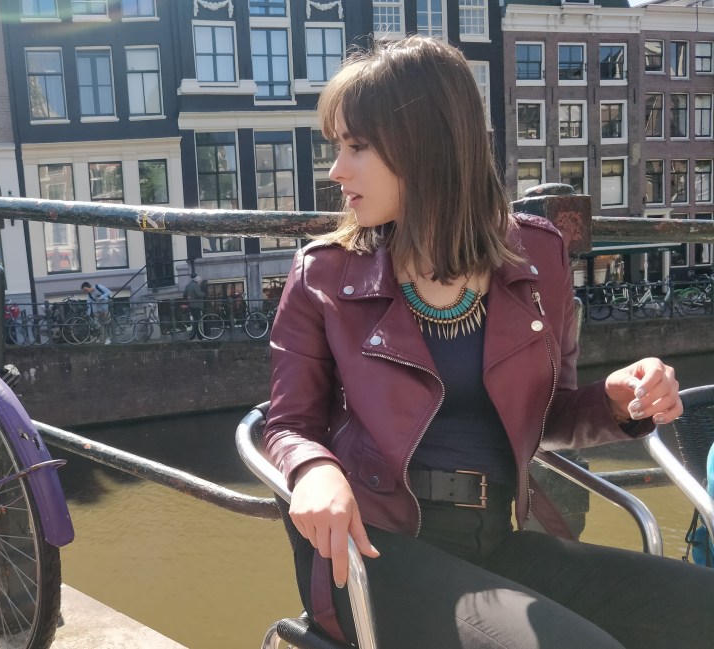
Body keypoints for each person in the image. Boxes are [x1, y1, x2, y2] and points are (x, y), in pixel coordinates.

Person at [264, 35, 713, 649]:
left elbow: (548, 416)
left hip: (495, 539)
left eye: (357, 146)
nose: (336, 170)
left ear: (426, 145)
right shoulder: (322, 273)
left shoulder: (539, 255)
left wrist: (614, 400)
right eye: (337, 146)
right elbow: (287, 424)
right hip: (372, 552)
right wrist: (314, 469)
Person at [183, 273, 205, 340]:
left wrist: (189, 298)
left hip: (191, 305)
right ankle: (192, 336)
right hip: (197, 305)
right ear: (197, 279)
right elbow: (199, 294)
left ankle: (199, 336)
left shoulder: (188, 285)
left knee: (196, 320)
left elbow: (184, 295)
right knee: (197, 321)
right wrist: (204, 294)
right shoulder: (195, 285)